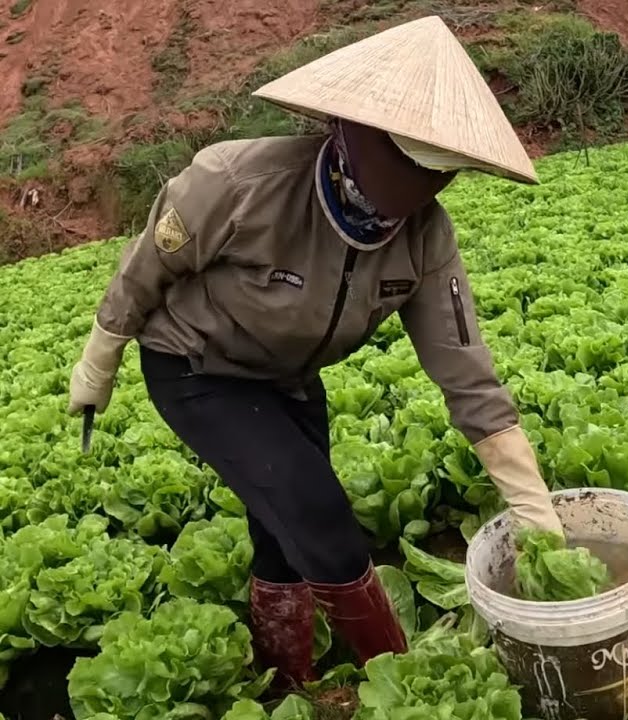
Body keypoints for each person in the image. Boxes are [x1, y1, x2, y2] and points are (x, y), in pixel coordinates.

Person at [65, 17, 562, 688]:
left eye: (437, 175)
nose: (414, 196)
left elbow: (465, 373)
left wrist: (535, 511)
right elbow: (146, 267)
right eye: (408, 166)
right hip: (196, 368)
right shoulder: (237, 183)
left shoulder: (423, 239)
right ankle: (402, 679)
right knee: (318, 513)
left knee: (283, 533)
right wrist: (100, 360)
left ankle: (285, 675)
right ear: (351, 134)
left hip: (290, 377)